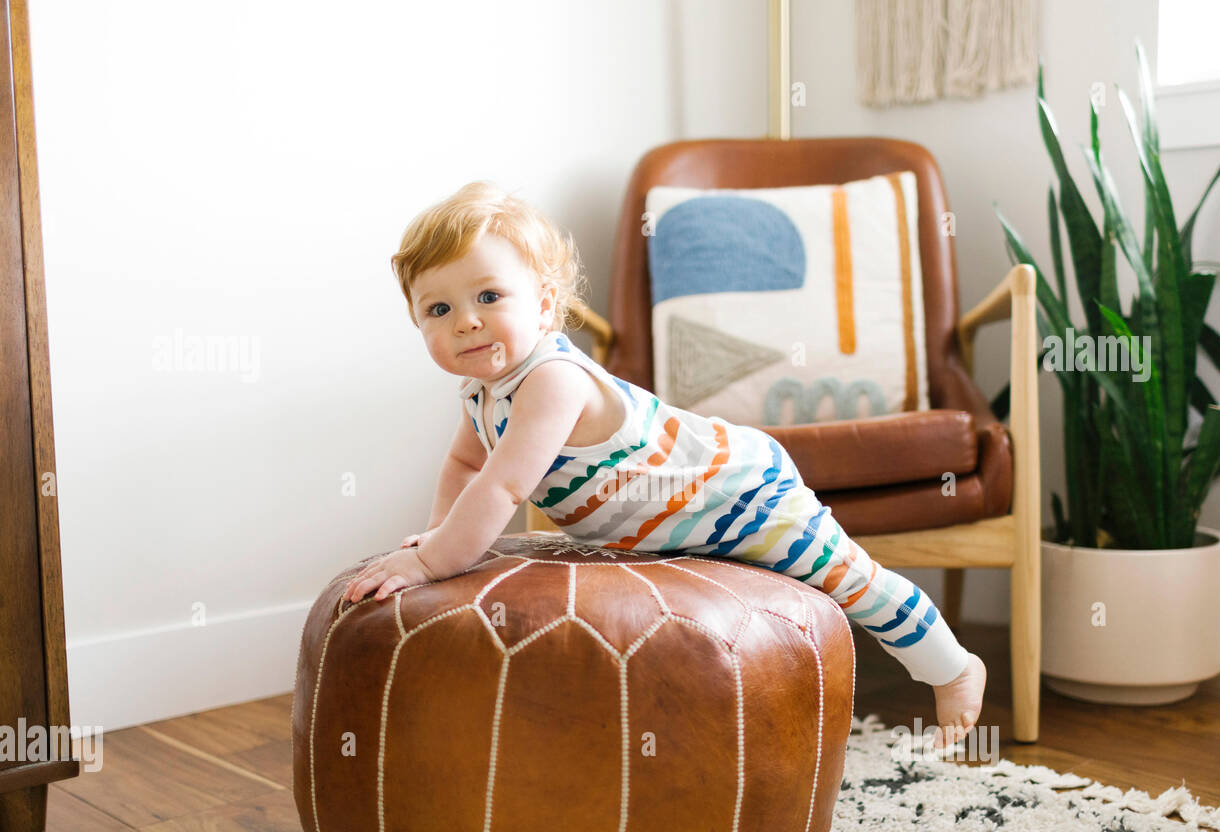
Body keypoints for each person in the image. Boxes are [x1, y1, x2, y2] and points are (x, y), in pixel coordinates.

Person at [345, 181, 986, 746]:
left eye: (488, 295)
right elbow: (464, 464)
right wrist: (437, 530)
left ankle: (952, 667)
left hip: (736, 492)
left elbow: (505, 483)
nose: (466, 322)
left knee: (847, 579)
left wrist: (433, 562)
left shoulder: (552, 379)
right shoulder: (482, 395)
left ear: (543, 305)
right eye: (439, 309)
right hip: (667, 534)